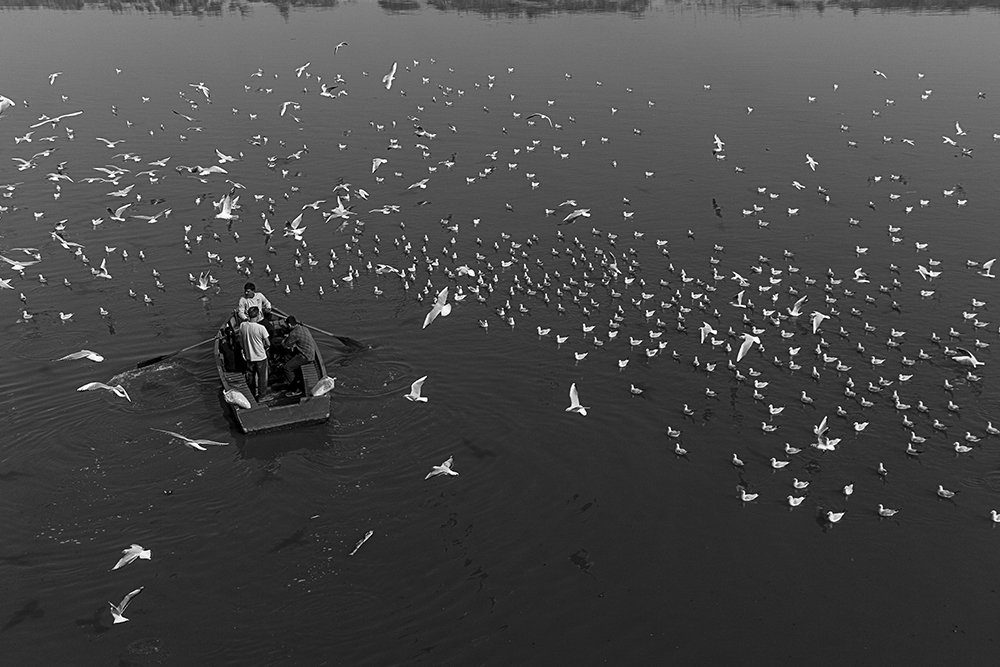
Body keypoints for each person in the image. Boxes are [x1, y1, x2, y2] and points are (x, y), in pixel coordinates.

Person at [279, 315, 318, 392]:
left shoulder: (294, 333)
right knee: (288, 356)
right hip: (310, 352)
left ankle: (295, 389)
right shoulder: (304, 328)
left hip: (306, 356)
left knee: (287, 368)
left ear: (289, 325)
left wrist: (284, 339)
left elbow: (286, 345)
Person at [239, 306, 270, 401]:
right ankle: (262, 396)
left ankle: (251, 394)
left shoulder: (242, 325)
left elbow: (241, 340)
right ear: (258, 315)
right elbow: (268, 343)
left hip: (249, 356)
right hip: (260, 357)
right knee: (262, 377)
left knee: (251, 376)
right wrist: (266, 347)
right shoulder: (261, 328)